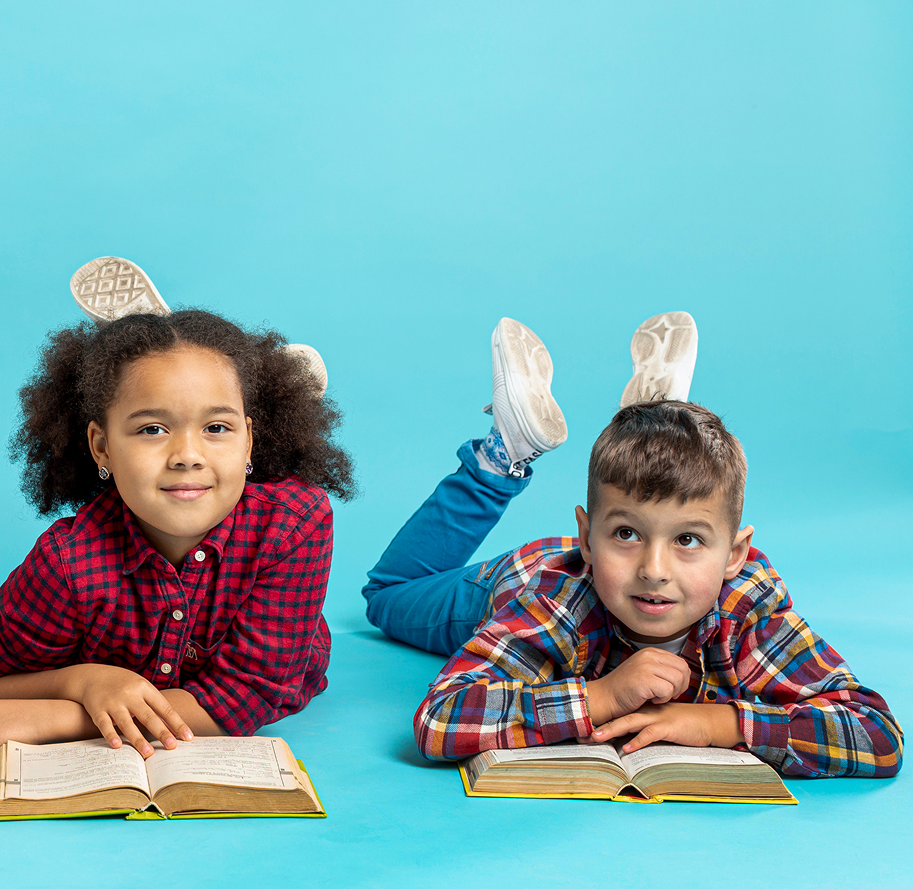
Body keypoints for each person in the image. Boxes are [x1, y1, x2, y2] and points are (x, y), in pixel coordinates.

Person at [368, 313, 901, 777]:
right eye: (628, 534)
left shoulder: (747, 609)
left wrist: (719, 723)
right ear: (587, 537)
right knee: (387, 595)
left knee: (645, 508)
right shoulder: (556, 602)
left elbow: (876, 734)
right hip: (518, 578)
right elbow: (440, 719)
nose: (654, 569)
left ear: (734, 556)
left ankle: (661, 420)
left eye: (688, 539)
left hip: (607, 559)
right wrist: (601, 696)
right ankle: (504, 453)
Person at [0, 256, 351, 760]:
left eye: (217, 428)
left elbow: (251, 693)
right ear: (102, 448)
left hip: (279, 669)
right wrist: (87, 681)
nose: (187, 455)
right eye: (152, 429)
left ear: (249, 441)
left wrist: (66, 716)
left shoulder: (294, 523)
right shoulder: (67, 561)